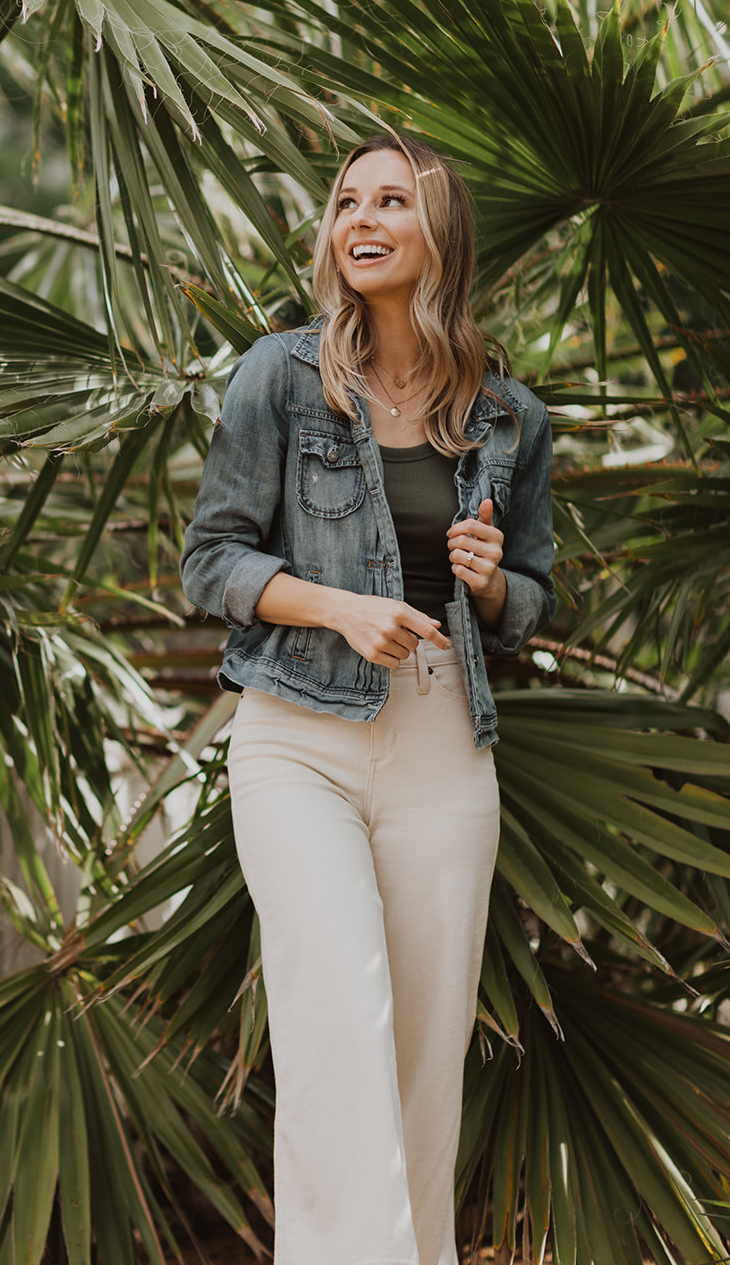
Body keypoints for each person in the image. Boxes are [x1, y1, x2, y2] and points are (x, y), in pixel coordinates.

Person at [180, 133, 555, 1265]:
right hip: (297, 733)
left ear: (437, 230)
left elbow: (532, 595)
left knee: (421, 1061)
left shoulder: (507, 415)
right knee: (337, 1025)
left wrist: (490, 588)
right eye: (347, 201)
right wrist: (337, 608)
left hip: (445, 738)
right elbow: (210, 565)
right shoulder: (280, 374)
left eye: (391, 199)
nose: (362, 219)